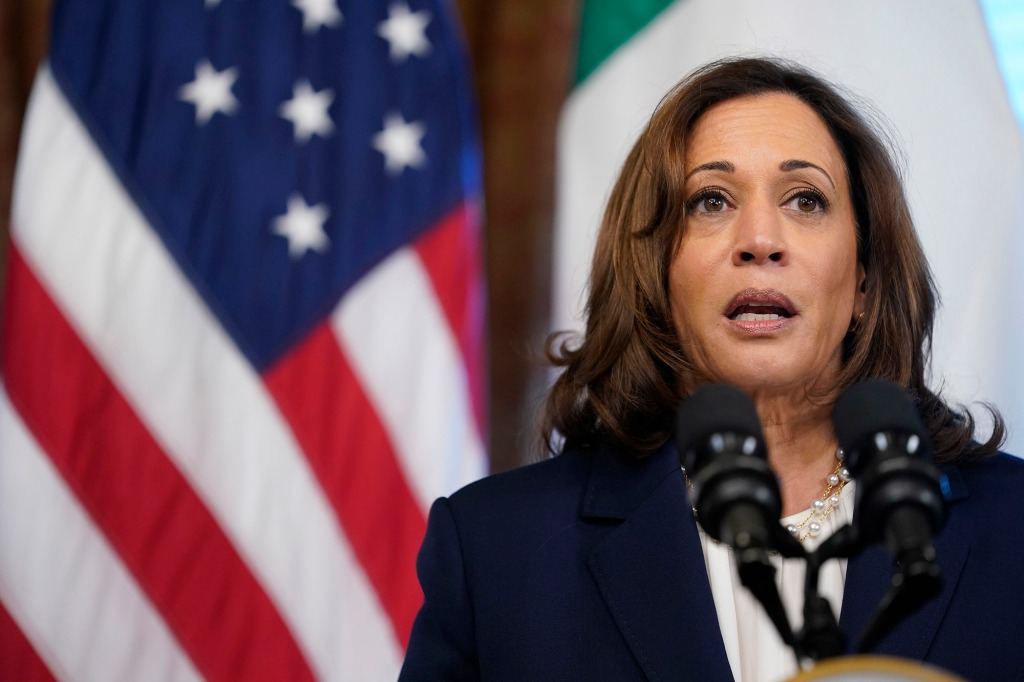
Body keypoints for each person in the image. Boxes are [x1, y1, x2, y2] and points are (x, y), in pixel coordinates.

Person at [398, 57, 1024, 681]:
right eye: (711, 201)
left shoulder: (1012, 526)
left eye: (806, 200)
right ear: (656, 276)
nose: (760, 239)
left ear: (865, 280)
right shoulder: (494, 549)